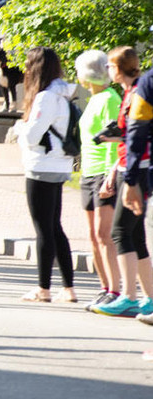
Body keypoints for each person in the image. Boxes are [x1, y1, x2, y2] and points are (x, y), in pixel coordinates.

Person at [14, 47, 78, 303]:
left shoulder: (45, 98)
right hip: (60, 165)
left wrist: (19, 129)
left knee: (43, 229)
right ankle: (68, 287)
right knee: (55, 226)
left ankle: (43, 288)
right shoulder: (64, 94)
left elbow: (31, 137)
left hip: (41, 165)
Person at [95, 47, 153, 319]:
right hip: (130, 167)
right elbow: (132, 134)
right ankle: (149, 298)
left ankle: (128, 296)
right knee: (136, 234)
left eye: (110, 65)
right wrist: (115, 137)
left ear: (119, 68)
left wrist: (128, 177)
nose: (108, 70)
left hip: (137, 170)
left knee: (120, 231)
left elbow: (140, 135)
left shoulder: (139, 92)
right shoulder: (132, 92)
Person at [72, 50, 121, 309]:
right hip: (88, 172)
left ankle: (115, 289)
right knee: (93, 235)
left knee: (104, 234)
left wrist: (109, 176)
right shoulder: (94, 99)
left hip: (103, 172)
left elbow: (114, 139)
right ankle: (104, 288)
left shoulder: (110, 98)